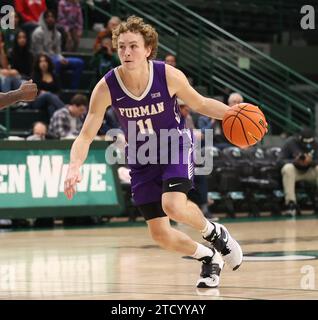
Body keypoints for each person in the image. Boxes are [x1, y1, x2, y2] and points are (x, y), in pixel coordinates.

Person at [63, 16, 242, 288]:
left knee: (173, 205)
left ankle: (214, 233)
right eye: (121, 46)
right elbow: (86, 134)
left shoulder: (167, 75)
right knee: (160, 234)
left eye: (133, 46)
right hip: (141, 156)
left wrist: (232, 113)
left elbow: (201, 103)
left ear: (148, 49)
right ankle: (209, 257)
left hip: (175, 144)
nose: (126, 52)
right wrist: (74, 165)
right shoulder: (106, 86)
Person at [31, 10, 84, 89]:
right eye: (48, 17)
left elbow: (58, 51)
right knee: (57, 63)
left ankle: (74, 89)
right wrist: (56, 58)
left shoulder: (58, 34)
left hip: (56, 58)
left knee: (79, 63)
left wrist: (61, 58)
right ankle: (57, 88)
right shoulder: (38, 33)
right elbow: (39, 52)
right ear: (44, 19)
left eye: (52, 17)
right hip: (43, 59)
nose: (50, 19)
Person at [280, 127, 318, 216]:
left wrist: (311, 162)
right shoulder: (290, 143)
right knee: (288, 168)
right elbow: (279, 161)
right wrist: (295, 161)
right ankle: (291, 204)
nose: (307, 145)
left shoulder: (316, 143)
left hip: (310, 171)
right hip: (295, 171)